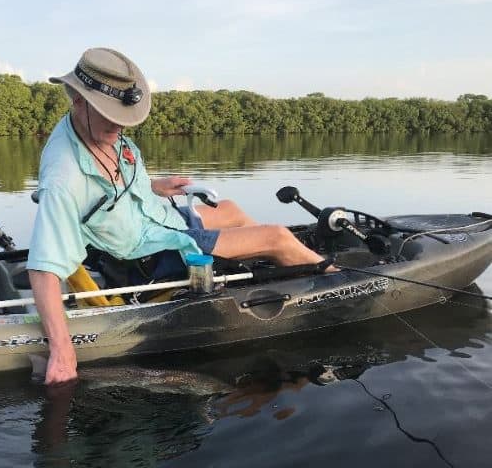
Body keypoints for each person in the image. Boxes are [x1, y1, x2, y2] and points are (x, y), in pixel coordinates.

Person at [27, 47, 332, 385]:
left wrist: (155, 186)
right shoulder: (63, 177)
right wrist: (63, 349)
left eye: (123, 116)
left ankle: (261, 271)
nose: (118, 124)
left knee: (230, 209)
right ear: (79, 100)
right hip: (150, 253)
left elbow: (118, 186)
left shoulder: (93, 129)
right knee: (276, 236)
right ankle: (339, 283)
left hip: (158, 220)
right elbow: (43, 268)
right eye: (108, 114)